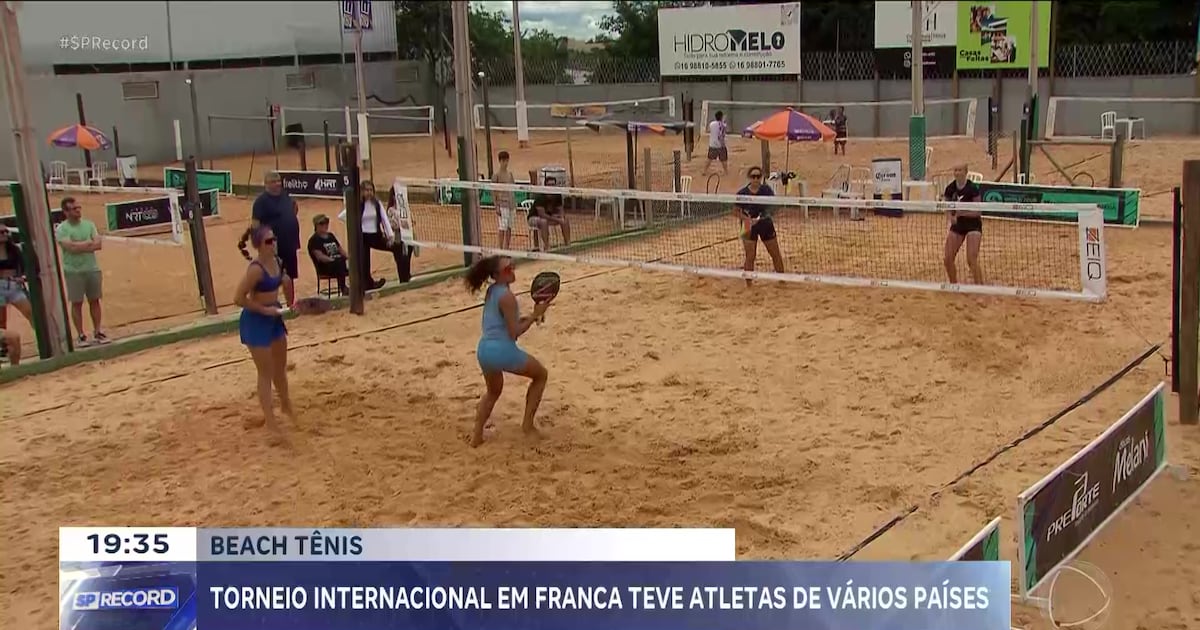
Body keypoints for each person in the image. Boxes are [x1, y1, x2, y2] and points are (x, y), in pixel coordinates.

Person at [465, 255, 550, 448]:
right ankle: (528, 426)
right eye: (507, 269)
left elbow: (504, 324)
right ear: (496, 275)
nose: (512, 270)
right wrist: (536, 314)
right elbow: (514, 333)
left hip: (484, 350)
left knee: (493, 392)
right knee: (541, 375)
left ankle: (476, 436)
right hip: (501, 350)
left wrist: (532, 317)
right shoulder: (507, 297)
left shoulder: (492, 291)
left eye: (512, 266)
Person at [234, 224, 295, 442]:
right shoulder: (256, 269)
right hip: (257, 321)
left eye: (275, 239)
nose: (274, 243)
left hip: (274, 318)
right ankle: (270, 422)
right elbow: (238, 298)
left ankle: (286, 406)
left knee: (280, 368)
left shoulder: (277, 262)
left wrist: (290, 301)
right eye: (269, 241)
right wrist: (264, 309)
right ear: (259, 245)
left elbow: (285, 281)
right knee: (265, 372)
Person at [55, 197, 108, 346]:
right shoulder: (62, 229)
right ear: (65, 212)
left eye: (79, 208)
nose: (78, 211)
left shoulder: (89, 224)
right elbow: (70, 248)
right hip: (73, 271)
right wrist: (88, 244)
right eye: (74, 209)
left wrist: (79, 246)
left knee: (95, 301)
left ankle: (98, 331)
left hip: (92, 268)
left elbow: (98, 245)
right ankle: (81, 335)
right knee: (77, 303)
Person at [735, 166, 786, 286]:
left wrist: (764, 216)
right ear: (749, 178)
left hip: (765, 224)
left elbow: (774, 207)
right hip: (747, 225)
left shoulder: (766, 190)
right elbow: (735, 211)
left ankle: (783, 280)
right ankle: (749, 284)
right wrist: (747, 219)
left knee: (775, 253)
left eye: (758, 176)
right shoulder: (742, 193)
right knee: (750, 255)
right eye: (753, 176)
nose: (756, 179)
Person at [251, 171, 302, 284]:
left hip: (290, 242)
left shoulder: (285, 195)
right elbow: (255, 225)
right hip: (273, 245)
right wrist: (260, 244)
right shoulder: (260, 202)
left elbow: (293, 209)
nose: (278, 183)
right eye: (274, 181)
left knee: (290, 276)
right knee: (274, 276)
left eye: (279, 181)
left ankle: (291, 302)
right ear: (266, 184)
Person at [942, 164, 985, 285]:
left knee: (971, 259)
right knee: (948, 259)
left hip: (973, 225)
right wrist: (950, 217)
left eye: (959, 170)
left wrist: (961, 213)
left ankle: (980, 287)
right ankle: (954, 285)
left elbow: (978, 211)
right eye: (955, 170)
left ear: (965, 172)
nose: (957, 172)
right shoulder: (950, 188)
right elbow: (946, 207)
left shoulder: (972, 188)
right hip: (958, 225)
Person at [0, 225, 33, 329]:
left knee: (31, 313)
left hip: (14, 285)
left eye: (6, 231)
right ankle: (3, 344)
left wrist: (22, 277)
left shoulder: (14, 249)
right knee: (1, 321)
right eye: (1, 232)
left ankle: (43, 339)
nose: (5, 234)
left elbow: (23, 267)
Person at [307, 214, 349, 295]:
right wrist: (333, 260)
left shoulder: (331, 236)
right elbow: (320, 257)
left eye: (326, 223)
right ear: (316, 225)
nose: (325, 225)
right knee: (339, 263)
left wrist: (349, 257)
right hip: (325, 266)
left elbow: (340, 250)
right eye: (322, 223)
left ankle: (362, 284)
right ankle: (343, 288)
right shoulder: (314, 240)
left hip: (338, 262)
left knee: (353, 262)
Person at [382, 185, 415, 283]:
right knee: (400, 260)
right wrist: (401, 224)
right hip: (398, 238)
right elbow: (392, 225)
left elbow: (412, 220)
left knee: (407, 258)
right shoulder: (391, 210)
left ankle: (407, 277)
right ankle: (403, 280)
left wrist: (409, 222)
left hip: (408, 237)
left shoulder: (405, 208)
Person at [531, 177, 570, 249]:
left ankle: (568, 244)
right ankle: (547, 246)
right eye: (549, 185)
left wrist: (561, 217)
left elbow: (561, 210)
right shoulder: (540, 197)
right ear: (545, 186)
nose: (551, 187)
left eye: (553, 185)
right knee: (543, 222)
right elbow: (541, 214)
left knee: (565, 219)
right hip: (534, 217)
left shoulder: (557, 195)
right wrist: (558, 220)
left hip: (549, 216)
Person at [492, 150, 517, 250]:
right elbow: (494, 192)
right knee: (503, 226)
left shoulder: (510, 174)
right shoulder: (496, 175)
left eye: (507, 161)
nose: (505, 163)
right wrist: (496, 206)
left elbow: (513, 189)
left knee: (509, 226)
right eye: (503, 161)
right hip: (502, 205)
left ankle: (507, 247)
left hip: (511, 204)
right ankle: (500, 248)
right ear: (500, 161)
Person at [704, 110, 730, 176]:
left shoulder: (712, 124)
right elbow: (723, 130)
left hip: (712, 144)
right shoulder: (724, 125)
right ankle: (726, 172)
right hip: (721, 145)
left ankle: (704, 171)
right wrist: (723, 121)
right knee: (724, 159)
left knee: (709, 158)